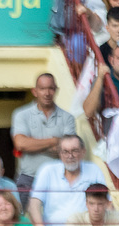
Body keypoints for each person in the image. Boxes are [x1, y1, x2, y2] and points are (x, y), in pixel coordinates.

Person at [28, 134, 106, 226]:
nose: (70, 156)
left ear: (83, 152)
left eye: (74, 151)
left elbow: (106, 203)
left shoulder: (94, 170)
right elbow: (33, 204)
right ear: (59, 154)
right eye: (65, 151)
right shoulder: (47, 170)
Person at [10, 73, 77, 202]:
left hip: (58, 178)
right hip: (27, 177)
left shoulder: (68, 118)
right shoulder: (21, 114)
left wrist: (32, 146)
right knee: (20, 218)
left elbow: (69, 152)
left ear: (56, 90)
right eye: (42, 88)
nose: (47, 93)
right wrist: (55, 140)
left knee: (56, 219)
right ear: (35, 91)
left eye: (51, 88)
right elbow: (20, 144)